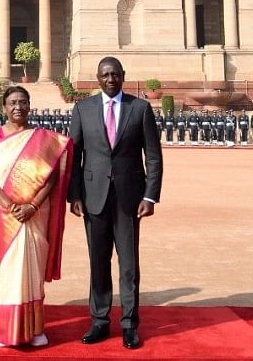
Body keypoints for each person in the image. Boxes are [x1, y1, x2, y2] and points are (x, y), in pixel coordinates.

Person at [67, 56, 163, 350]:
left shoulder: (140, 108)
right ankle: (99, 321)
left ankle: (130, 324)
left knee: (129, 265)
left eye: (115, 74)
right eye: (105, 74)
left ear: (123, 76)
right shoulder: (83, 109)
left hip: (129, 199)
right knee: (98, 262)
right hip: (93, 197)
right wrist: (75, 195)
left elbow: (154, 156)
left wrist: (150, 195)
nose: (111, 79)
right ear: (97, 78)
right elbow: (74, 157)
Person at [0, 86, 73, 348]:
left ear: (29, 105)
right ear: (4, 107)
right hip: (3, 215)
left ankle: (35, 329)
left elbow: (52, 176)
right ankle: (8, 332)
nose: (17, 107)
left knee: (31, 270)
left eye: (22, 102)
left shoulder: (43, 139)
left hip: (35, 214)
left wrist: (32, 205)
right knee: (9, 271)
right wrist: (10, 205)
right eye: (12, 102)